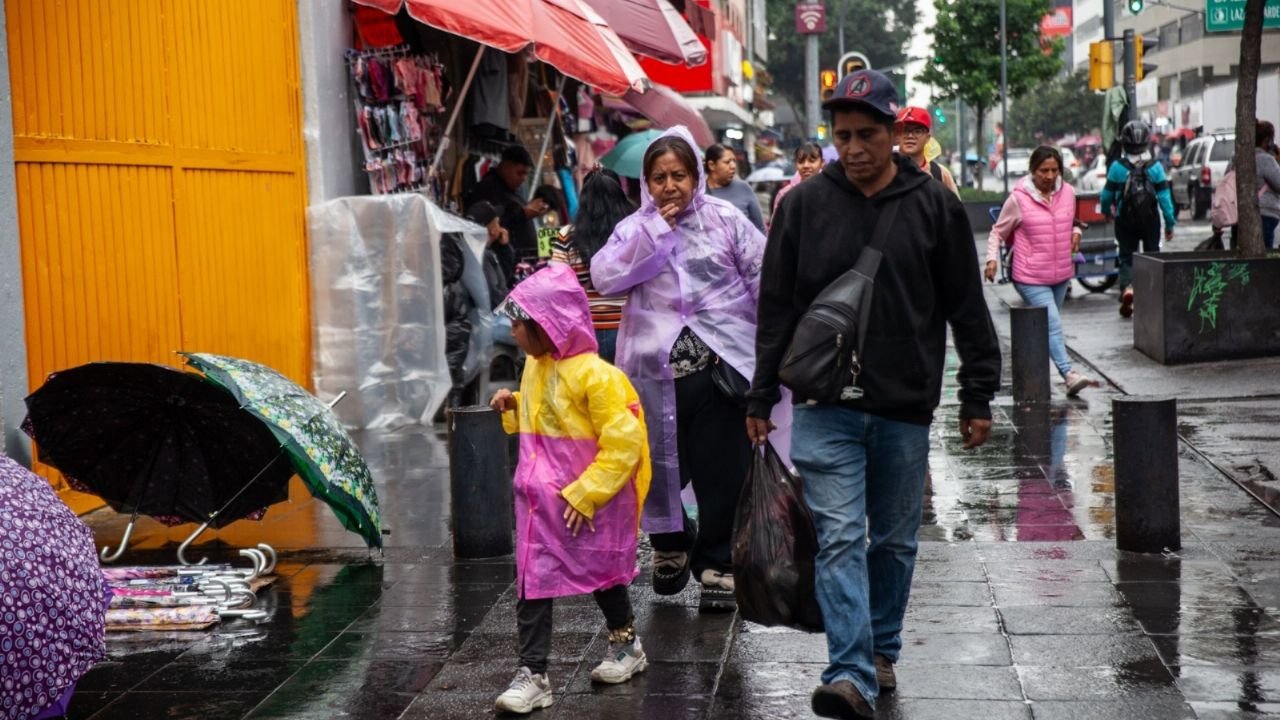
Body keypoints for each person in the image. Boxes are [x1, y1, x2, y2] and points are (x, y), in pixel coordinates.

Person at [747, 69, 1001, 719]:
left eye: (867, 134)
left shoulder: (934, 206)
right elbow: (775, 308)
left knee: (892, 541)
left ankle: (881, 647)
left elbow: (966, 305)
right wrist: (759, 396)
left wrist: (978, 393)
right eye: (843, 136)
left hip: (903, 405)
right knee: (837, 538)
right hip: (822, 406)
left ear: (894, 132)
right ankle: (850, 672)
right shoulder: (802, 207)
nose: (854, 148)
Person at [591, 126, 783, 611]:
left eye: (678, 175)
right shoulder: (634, 229)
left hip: (721, 372)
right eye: (659, 178)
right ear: (646, 184)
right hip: (652, 375)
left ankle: (718, 562)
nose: (670, 186)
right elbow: (606, 277)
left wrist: (773, 352)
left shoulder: (726, 220)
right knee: (655, 467)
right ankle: (671, 544)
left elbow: (764, 280)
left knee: (722, 470)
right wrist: (654, 232)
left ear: (696, 175)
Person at [488, 264, 652, 714]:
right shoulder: (535, 367)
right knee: (532, 582)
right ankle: (534, 672)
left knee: (601, 573)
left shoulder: (598, 376)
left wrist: (588, 492)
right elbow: (545, 415)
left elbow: (624, 441)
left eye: (519, 323)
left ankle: (626, 644)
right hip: (540, 501)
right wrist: (513, 404)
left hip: (587, 502)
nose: (513, 332)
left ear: (547, 326)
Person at [984, 146, 1095, 397]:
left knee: (1045, 327)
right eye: (1044, 170)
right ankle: (1068, 374)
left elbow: (1073, 220)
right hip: (1029, 275)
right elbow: (997, 232)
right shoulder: (1018, 199)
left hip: (1061, 274)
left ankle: (1033, 377)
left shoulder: (1068, 192)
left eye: (1055, 170)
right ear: (1033, 170)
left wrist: (1076, 233)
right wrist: (991, 259)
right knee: (1052, 323)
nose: (1050, 176)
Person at [550, 168, 634, 363]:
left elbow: (558, 283)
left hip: (585, 331)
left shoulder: (567, 236)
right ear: (620, 195)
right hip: (627, 328)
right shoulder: (632, 231)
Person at [1100, 120, 1176, 318]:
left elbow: (1106, 196)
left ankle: (1128, 288)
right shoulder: (1155, 167)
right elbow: (1165, 199)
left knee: (1127, 257)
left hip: (1124, 220)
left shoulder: (1117, 167)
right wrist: (1169, 224)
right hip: (1150, 220)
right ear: (1147, 142)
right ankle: (1153, 295)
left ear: (1124, 143)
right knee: (1153, 256)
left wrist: (1106, 211)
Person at [467, 145, 550, 284]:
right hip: (504, 268)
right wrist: (523, 214)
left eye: (526, 174)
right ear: (506, 166)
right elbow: (492, 223)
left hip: (520, 264)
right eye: (520, 173)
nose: (523, 179)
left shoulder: (512, 189)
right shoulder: (488, 189)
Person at [894, 106, 960, 197]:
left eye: (917, 131)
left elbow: (954, 205)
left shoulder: (940, 173)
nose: (910, 136)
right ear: (896, 135)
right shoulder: (884, 172)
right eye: (905, 130)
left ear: (928, 138)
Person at [704, 143, 766, 232]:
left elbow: (760, 228)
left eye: (734, 161)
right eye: (727, 162)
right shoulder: (699, 193)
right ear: (711, 165)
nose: (733, 166)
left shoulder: (744, 189)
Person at [771, 142, 825, 222]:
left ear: (822, 163)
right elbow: (776, 226)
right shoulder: (784, 194)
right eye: (801, 162)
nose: (806, 166)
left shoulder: (830, 191)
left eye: (812, 161)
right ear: (796, 164)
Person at [1254, 120, 1280, 250]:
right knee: (1265, 253)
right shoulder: (1265, 159)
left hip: (1239, 216)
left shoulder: (1237, 158)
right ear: (1267, 140)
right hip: (1264, 213)